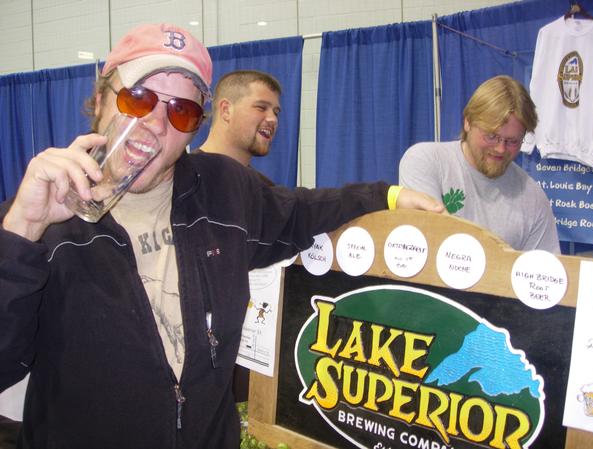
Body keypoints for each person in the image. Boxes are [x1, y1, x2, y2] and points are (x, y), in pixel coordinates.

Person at [0, 23, 444, 449]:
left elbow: (303, 211)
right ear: (101, 99)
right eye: (138, 98)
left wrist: (388, 195)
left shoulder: (223, 190)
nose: (156, 122)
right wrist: (22, 230)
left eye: (182, 110)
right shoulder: (34, 221)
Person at [398, 75, 560, 254]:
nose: (500, 149)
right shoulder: (425, 161)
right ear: (468, 122)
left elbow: (543, 267)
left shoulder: (534, 199)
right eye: (491, 136)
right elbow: (428, 247)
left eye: (512, 141)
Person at [199, 69, 283, 403]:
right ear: (225, 109)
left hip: (248, 382)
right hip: (194, 381)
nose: (272, 118)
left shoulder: (267, 194)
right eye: (261, 107)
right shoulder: (181, 184)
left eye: (276, 111)